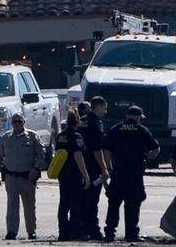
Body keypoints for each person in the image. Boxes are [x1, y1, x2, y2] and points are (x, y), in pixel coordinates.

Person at [102, 105, 160, 242]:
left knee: (114, 203)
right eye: (140, 118)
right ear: (137, 117)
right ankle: (131, 234)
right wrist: (150, 155)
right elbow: (156, 149)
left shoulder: (115, 129)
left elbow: (106, 149)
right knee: (133, 204)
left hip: (118, 172)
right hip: (135, 174)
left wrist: (108, 168)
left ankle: (109, 233)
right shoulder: (142, 130)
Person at [0, 113, 45, 240]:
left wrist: (36, 169)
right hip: (11, 177)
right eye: (14, 122)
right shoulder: (5, 138)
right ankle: (11, 231)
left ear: (24, 122)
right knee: (12, 206)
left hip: (28, 177)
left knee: (29, 206)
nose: (17, 124)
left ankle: (31, 231)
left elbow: (41, 154)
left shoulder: (33, 137)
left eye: (19, 121)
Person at [78, 96, 110, 241]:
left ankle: (81, 228)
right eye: (104, 108)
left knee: (81, 199)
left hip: (79, 165)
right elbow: (97, 149)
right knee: (92, 200)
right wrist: (104, 168)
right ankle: (93, 229)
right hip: (92, 166)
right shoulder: (96, 122)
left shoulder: (81, 120)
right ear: (98, 107)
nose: (105, 111)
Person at [56, 108, 91, 241]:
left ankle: (63, 232)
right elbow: (78, 156)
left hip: (62, 173)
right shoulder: (76, 136)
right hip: (74, 174)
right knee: (75, 204)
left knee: (63, 203)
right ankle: (75, 232)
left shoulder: (61, 136)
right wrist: (86, 175)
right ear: (77, 121)